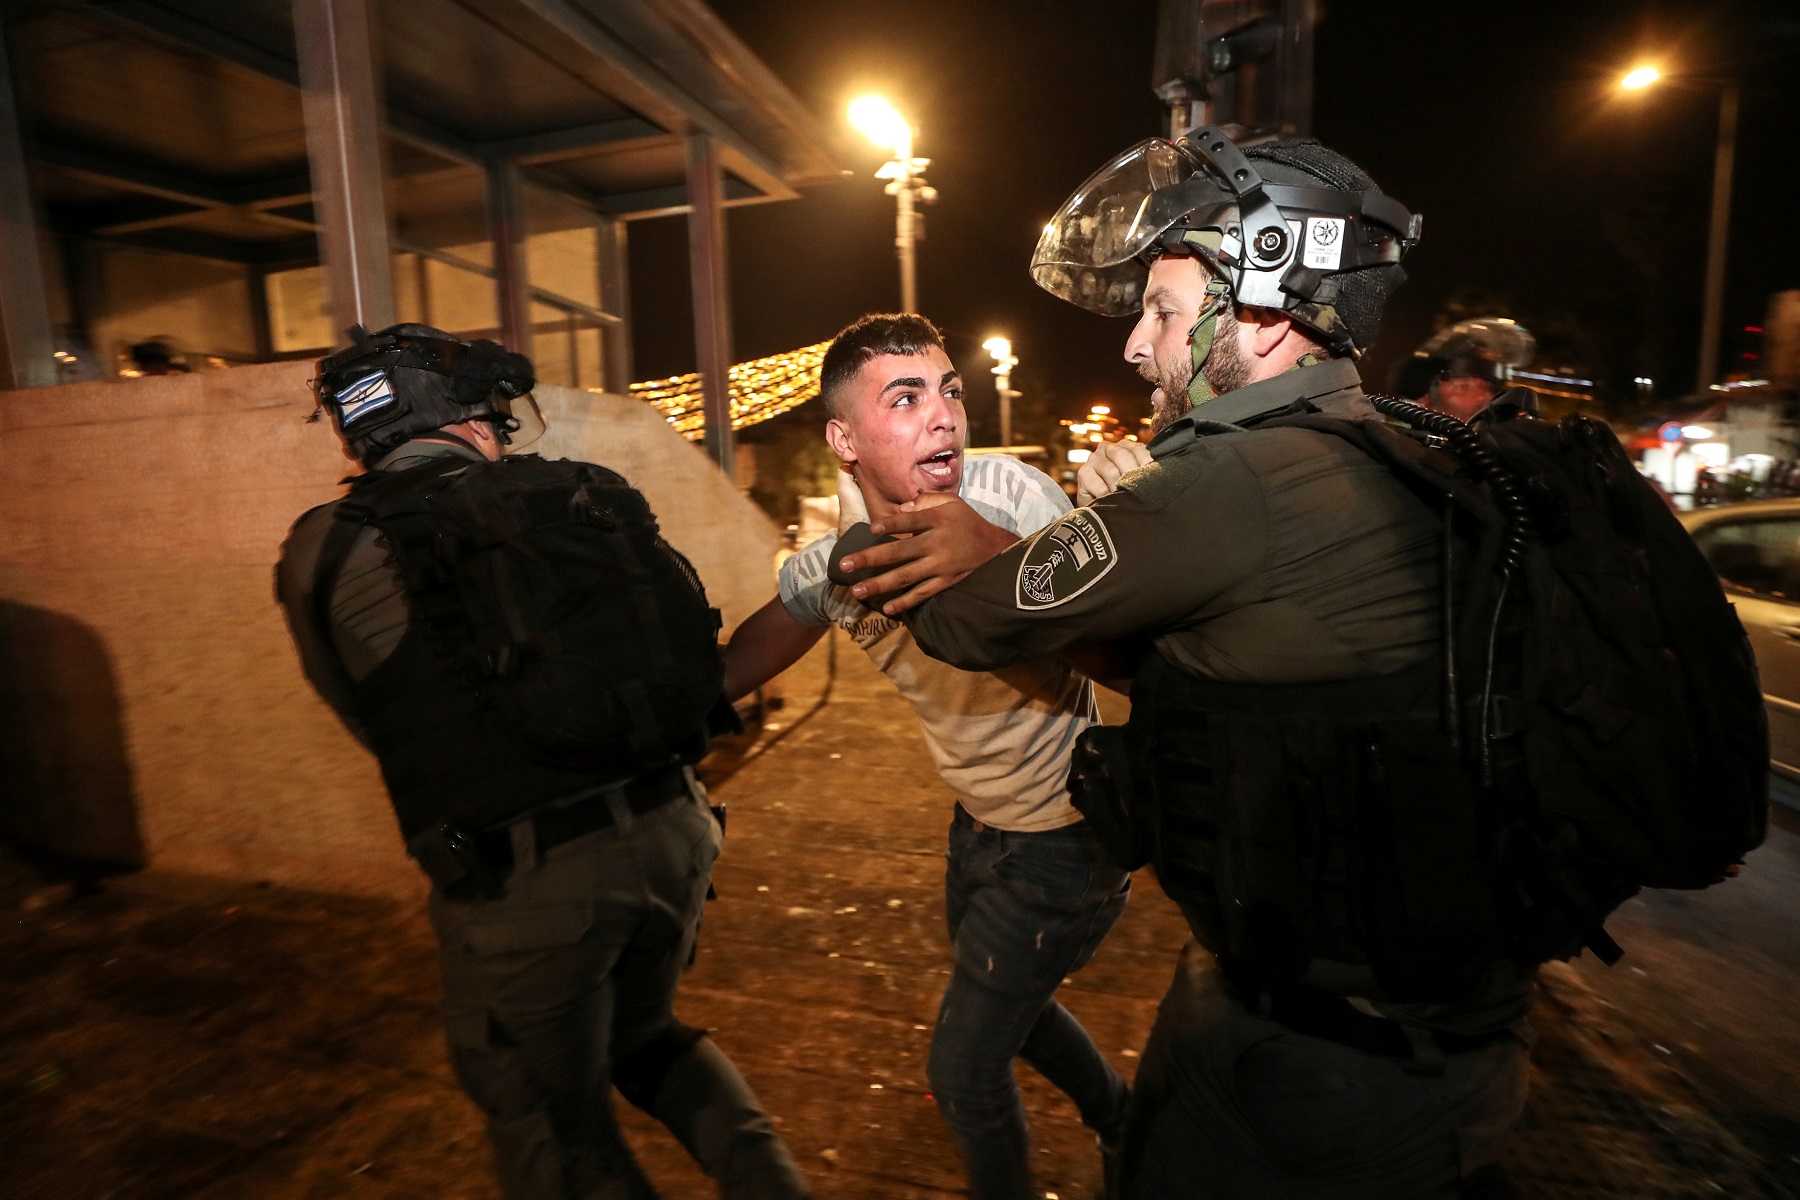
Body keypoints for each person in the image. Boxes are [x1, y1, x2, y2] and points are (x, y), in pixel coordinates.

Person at [838, 134, 1540, 1198]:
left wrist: (983, 547)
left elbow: (971, 626)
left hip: (1326, 1070)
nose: (1135, 345)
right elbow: (1194, 671)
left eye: (1162, 313)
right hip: (1405, 1028)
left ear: (1261, 312)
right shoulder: (1376, 440)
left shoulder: (1229, 483)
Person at [274, 324, 807, 1200]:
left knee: (550, 1129)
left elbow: (378, 720)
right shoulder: (579, 498)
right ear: (469, 422)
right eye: (493, 417)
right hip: (676, 832)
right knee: (649, 1039)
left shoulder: (322, 549)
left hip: (526, 883)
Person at [722, 314, 1133, 1200]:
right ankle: (1125, 1120)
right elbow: (749, 651)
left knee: (963, 1072)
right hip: (974, 830)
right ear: (844, 441)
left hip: (1066, 835)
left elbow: (1125, 654)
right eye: (905, 399)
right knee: (1017, 1019)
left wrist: (997, 560)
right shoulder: (838, 564)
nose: (944, 414)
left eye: (948, 390)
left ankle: (1122, 1129)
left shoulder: (1016, 500)